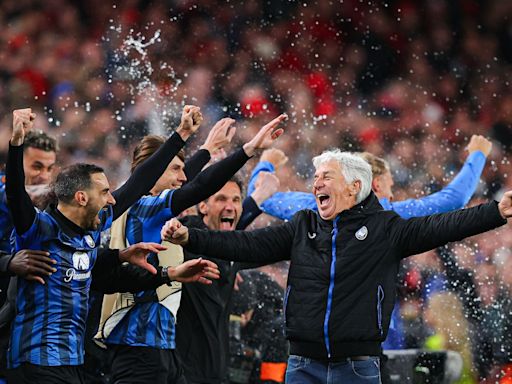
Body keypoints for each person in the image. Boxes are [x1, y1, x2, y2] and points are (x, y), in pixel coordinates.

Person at [161, 149, 511, 384]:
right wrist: (192, 239)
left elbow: (444, 223)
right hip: (302, 364)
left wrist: (495, 212)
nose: (316, 184)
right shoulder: (304, 225)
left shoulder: (385, 228)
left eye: (326, 176)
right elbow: (247, 244)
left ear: (354, 187)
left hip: (357, 366)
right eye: (316, 177)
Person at [4, 105, 203, 383]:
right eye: (105, 192)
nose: (112, 200)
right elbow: (15, 195)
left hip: (73, 360)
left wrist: (181, 135)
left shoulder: (92, 230)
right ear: (82, 197)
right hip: (35, 360)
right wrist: (16, 145)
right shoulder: (39, 230)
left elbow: (138, 183)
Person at [102, 114, 286, 384]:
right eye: (175, 169)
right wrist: (248, 151)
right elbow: (198, 188)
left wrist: (208, 151)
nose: (183, 176)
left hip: (159, 346)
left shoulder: (151, 212)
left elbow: (213, 220)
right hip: (139, 344)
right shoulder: (145, 209)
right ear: (152, 171)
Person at [175, 173, 280, 384]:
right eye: (221, 199)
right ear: (203, 207)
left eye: (236, 200)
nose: (230, 206)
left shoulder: (233, 249)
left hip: (216, 371)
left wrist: (260, 196)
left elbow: (269, 245)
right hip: (181, 371)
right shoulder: (180, 241)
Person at [248, 134, 492, 221]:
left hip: (314, 324)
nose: (393, 192)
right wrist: (477, 155)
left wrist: (265, 163)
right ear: (375, 184)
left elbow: (258, 197)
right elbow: (454, 199)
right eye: (389, 184)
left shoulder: (312, 209)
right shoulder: (388, 214)